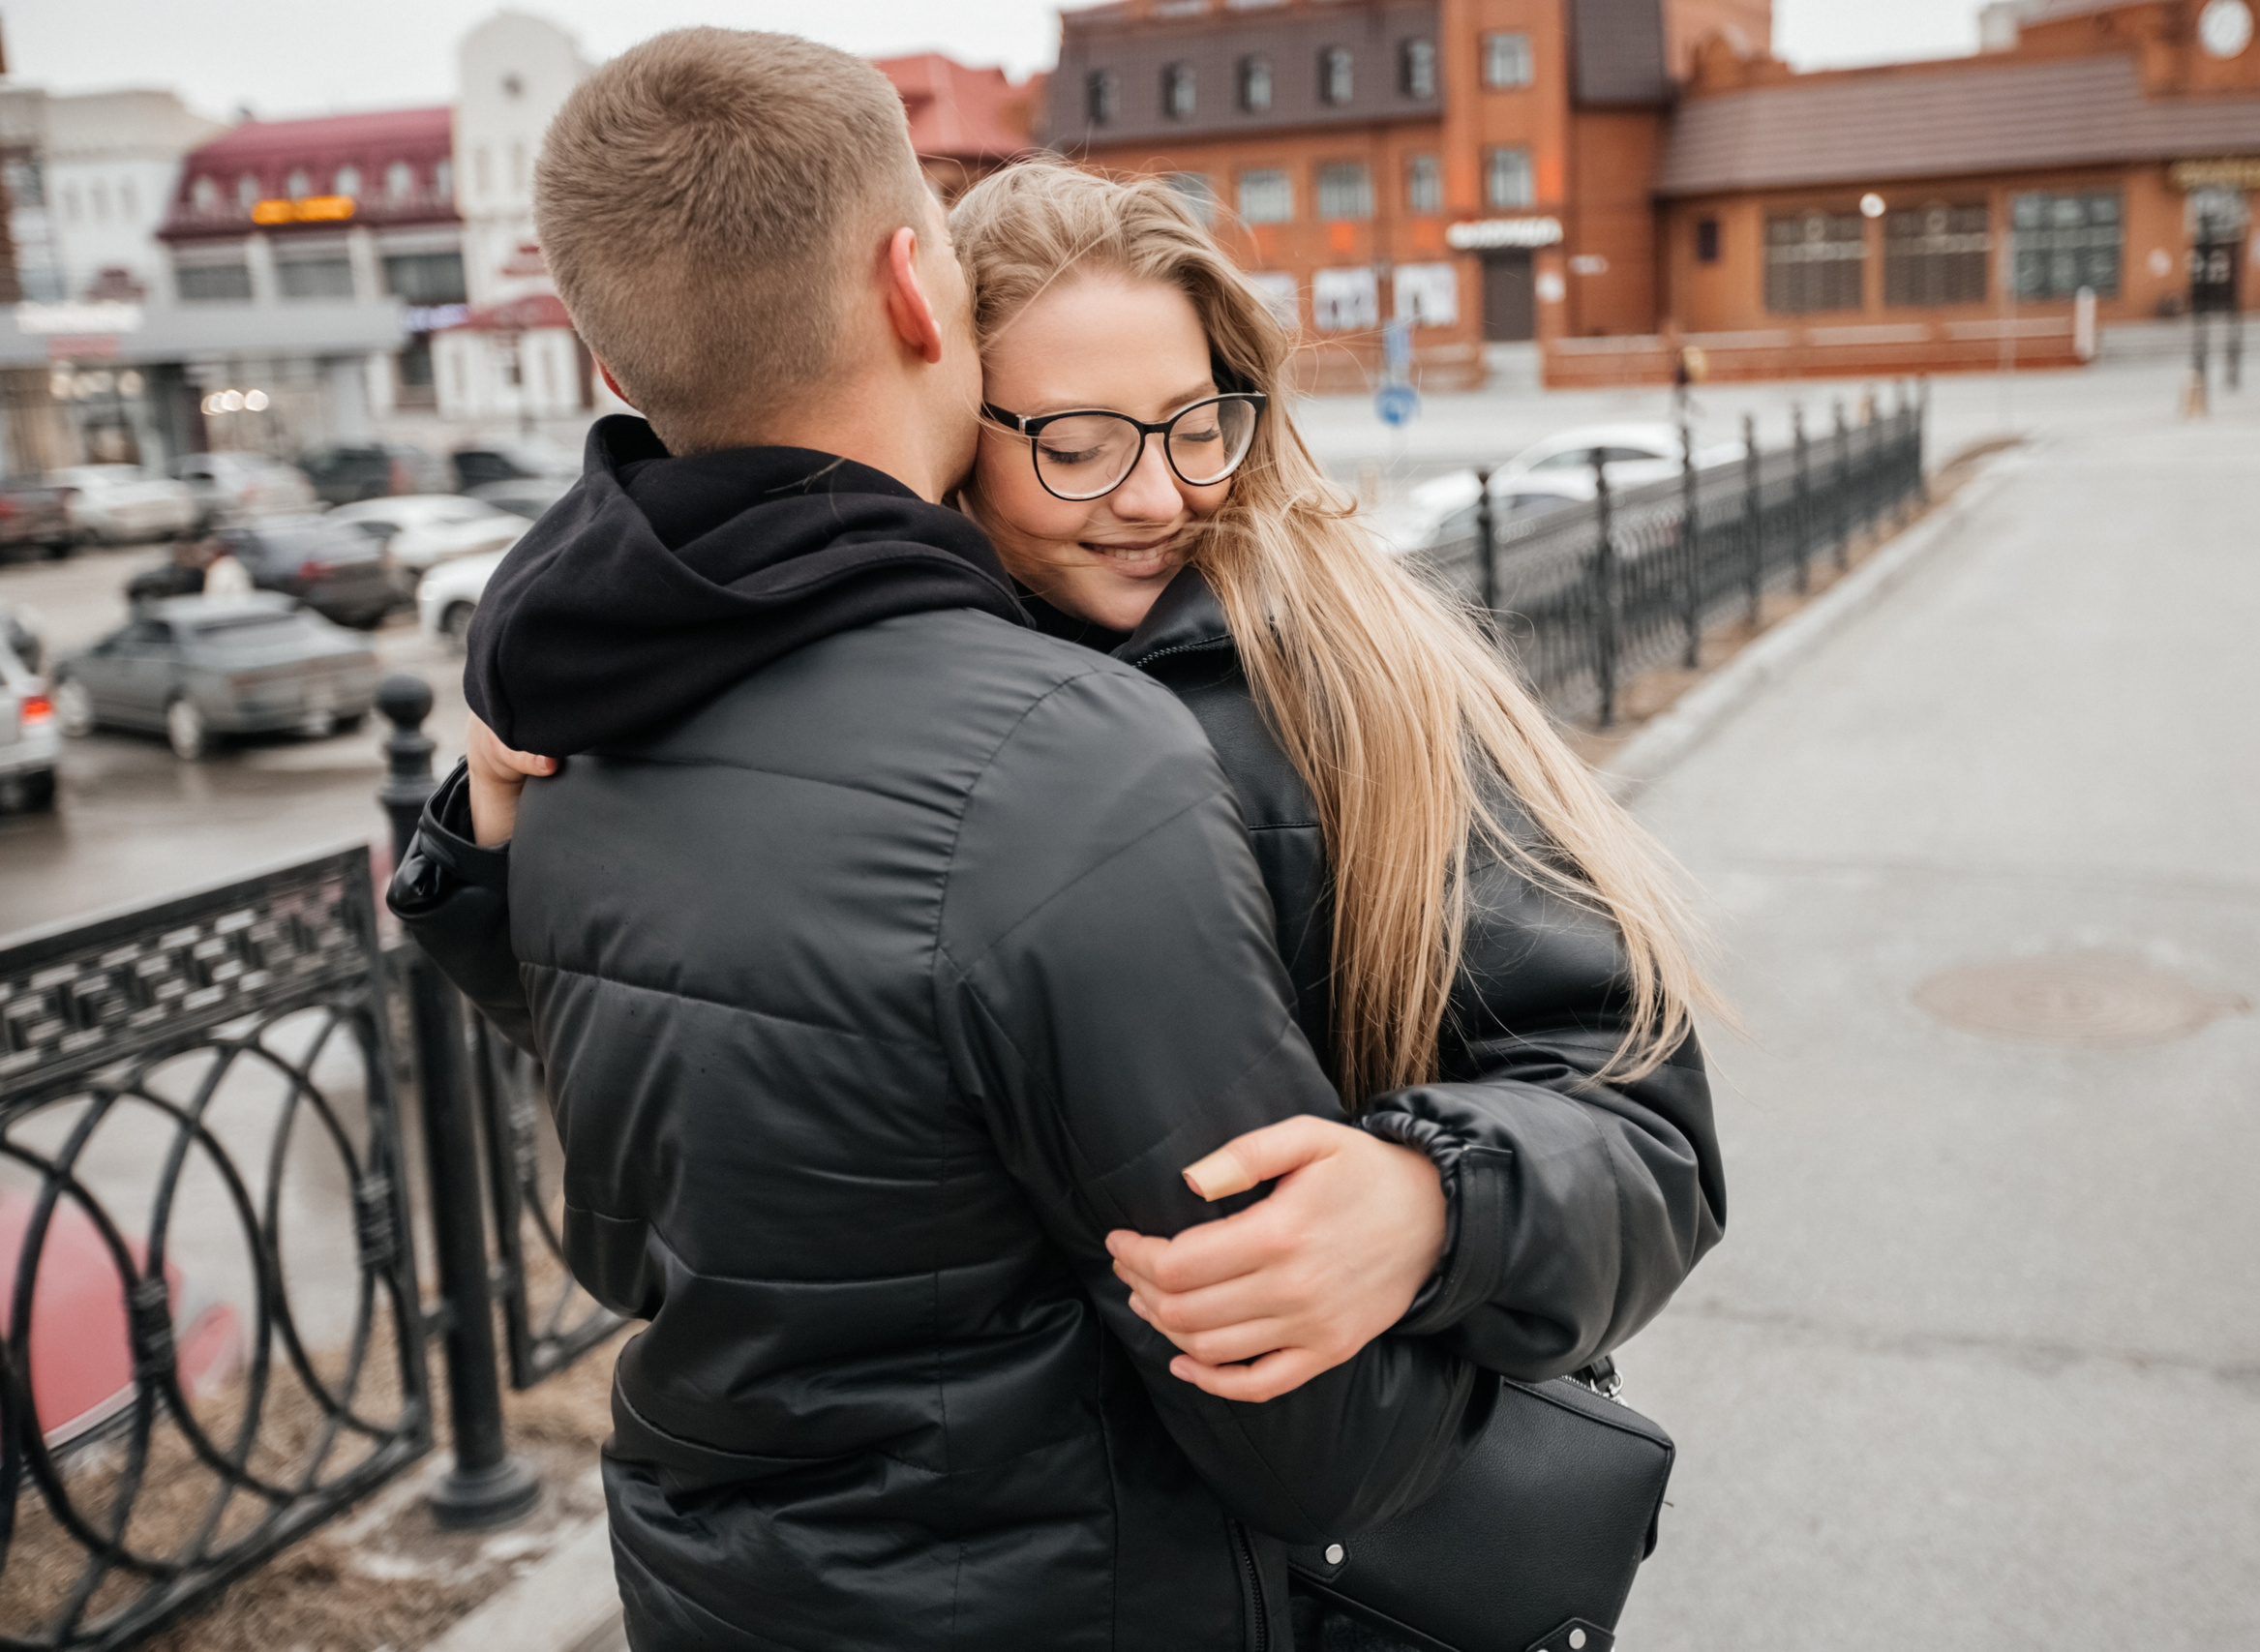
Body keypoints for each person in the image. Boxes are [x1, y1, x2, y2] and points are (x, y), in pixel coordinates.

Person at [395, 35, 1722, 1652]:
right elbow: (736, 1063)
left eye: (1198, 423)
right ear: (948, 393)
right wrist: (494, 866)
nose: (1158, 497)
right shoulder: (797, 704)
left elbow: (1643, 1126)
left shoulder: (1361, 685)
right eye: (1076, 444)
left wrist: (1439, 1204)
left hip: (1327, 1582)